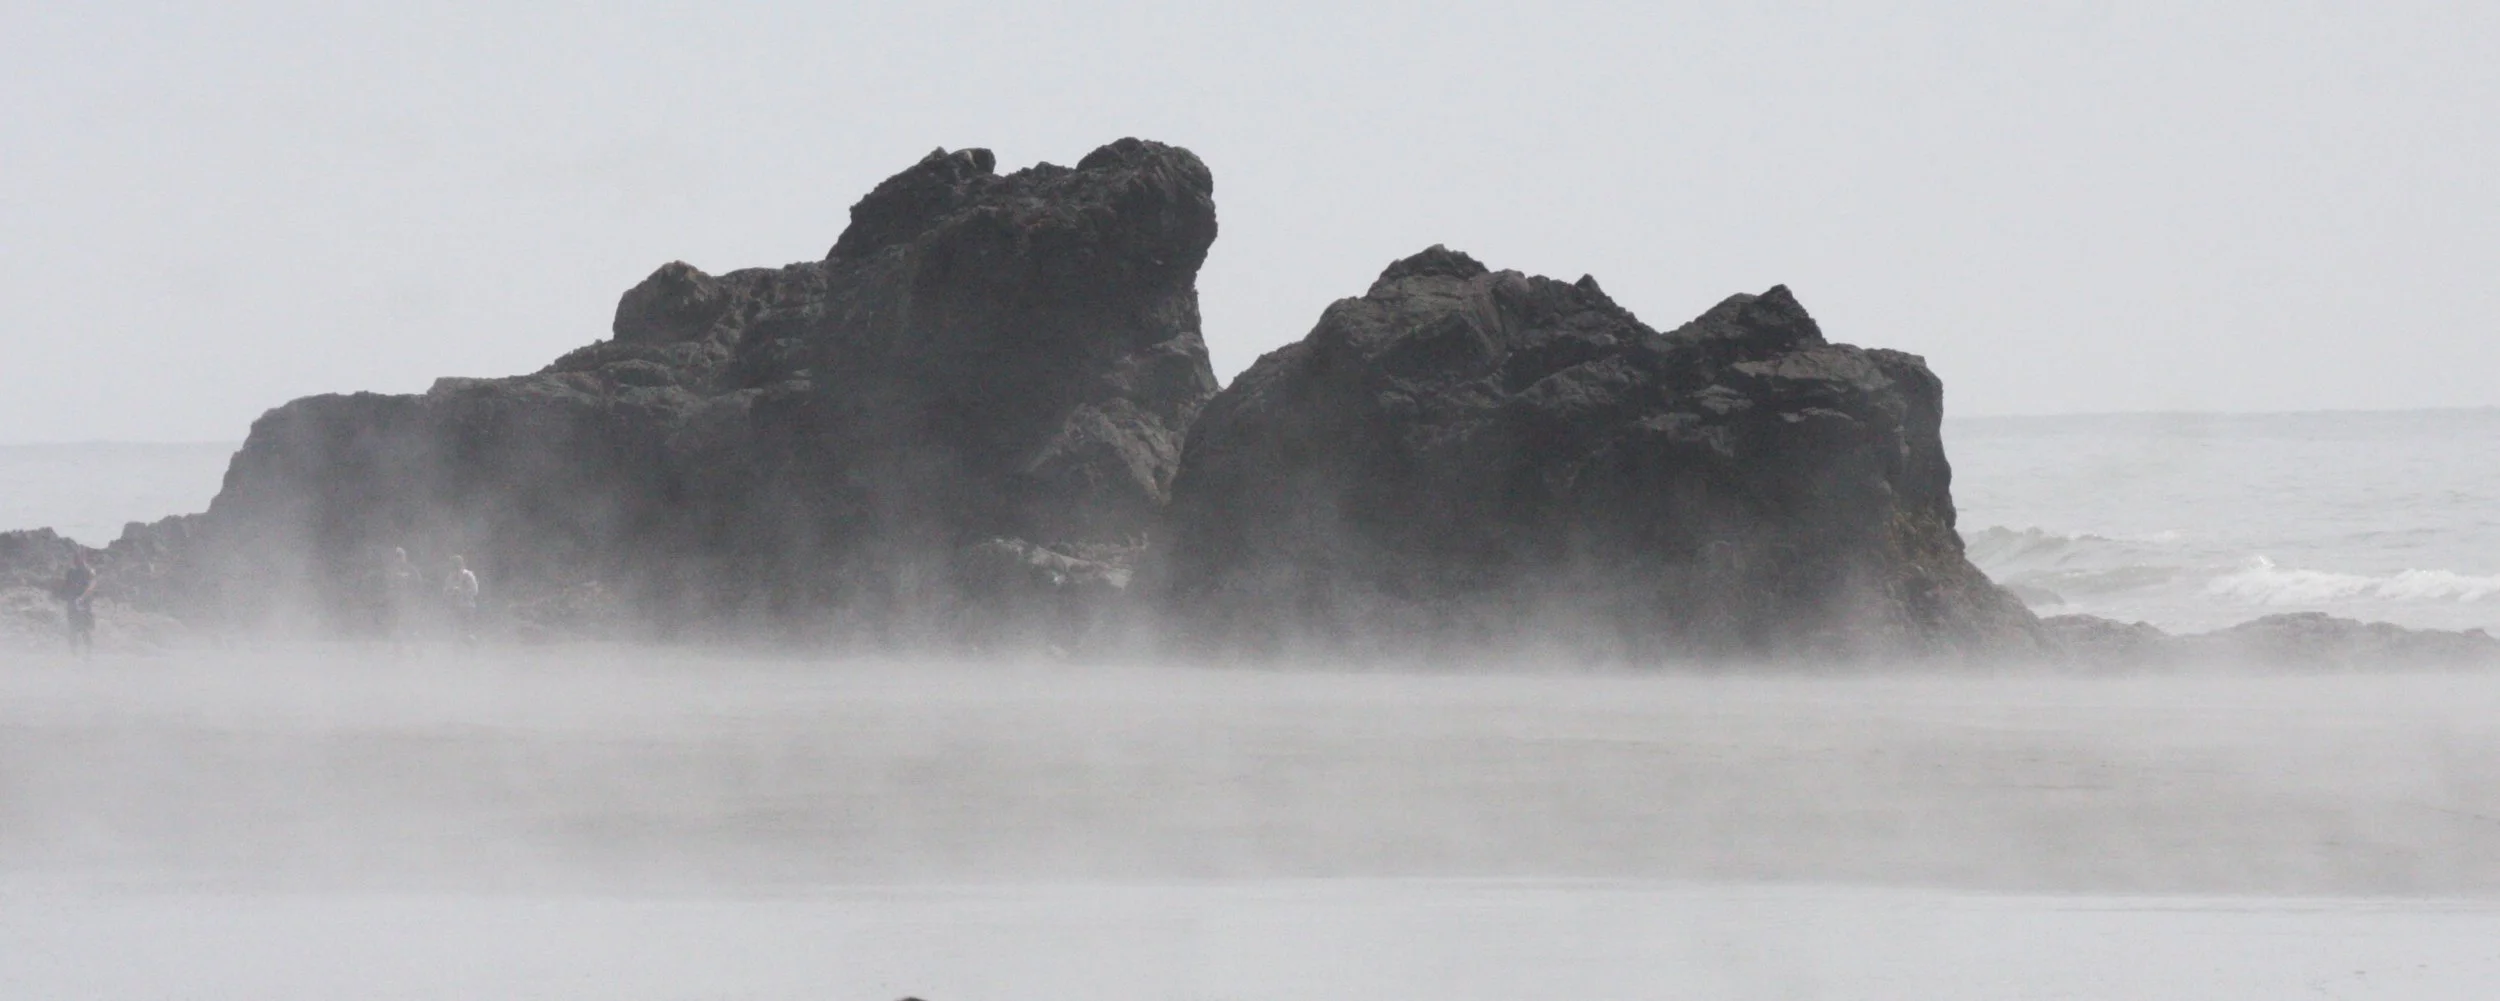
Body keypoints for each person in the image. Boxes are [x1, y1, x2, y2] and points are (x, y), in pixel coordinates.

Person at [59, 550, 97, 658]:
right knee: (72, 629)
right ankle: (73, 653)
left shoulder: (90, 571)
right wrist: (65, 596)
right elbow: (66, 586)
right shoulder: (71, 572)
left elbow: (91, 587)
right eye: (75, 557)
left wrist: (81, 598)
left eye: (78, 557)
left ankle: (89, 653)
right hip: (72, 604)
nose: (75, 559)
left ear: (84, 558)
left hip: (84, 605)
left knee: (85, 629)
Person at [443, 554, 480, 645]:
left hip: (467, 607)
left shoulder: (468, 575)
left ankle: (472, 650)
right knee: (455, 633)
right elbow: (445, 592)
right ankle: (457, 654)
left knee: (466, 632)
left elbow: (474, 591)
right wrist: (451, 594)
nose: (455, 566)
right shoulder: (450, 577)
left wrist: (461, 592)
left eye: (456, 564)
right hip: (454, 608)